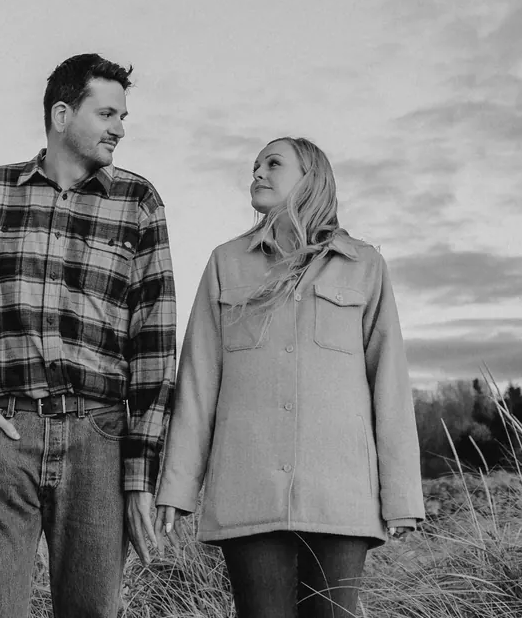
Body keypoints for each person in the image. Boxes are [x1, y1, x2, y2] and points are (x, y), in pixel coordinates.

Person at [0, 53, 176, 618]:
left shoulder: (138, 203)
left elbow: (154, 348)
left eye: (123, 116)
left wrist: (140, 475)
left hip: (99, 441)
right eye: (107, 114)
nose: (120, 129)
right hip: (3, 437)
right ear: (62, 114)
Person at [155, 137, 423, 618]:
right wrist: (176, 486)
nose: (256, 172)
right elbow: (197, 382)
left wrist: (401, 495)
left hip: (341, 495)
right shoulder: (225, 262)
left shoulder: (364, 266)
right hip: (247, 487)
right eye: (255, 165)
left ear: (310, 178)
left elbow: (390, 385)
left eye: (272, 163)